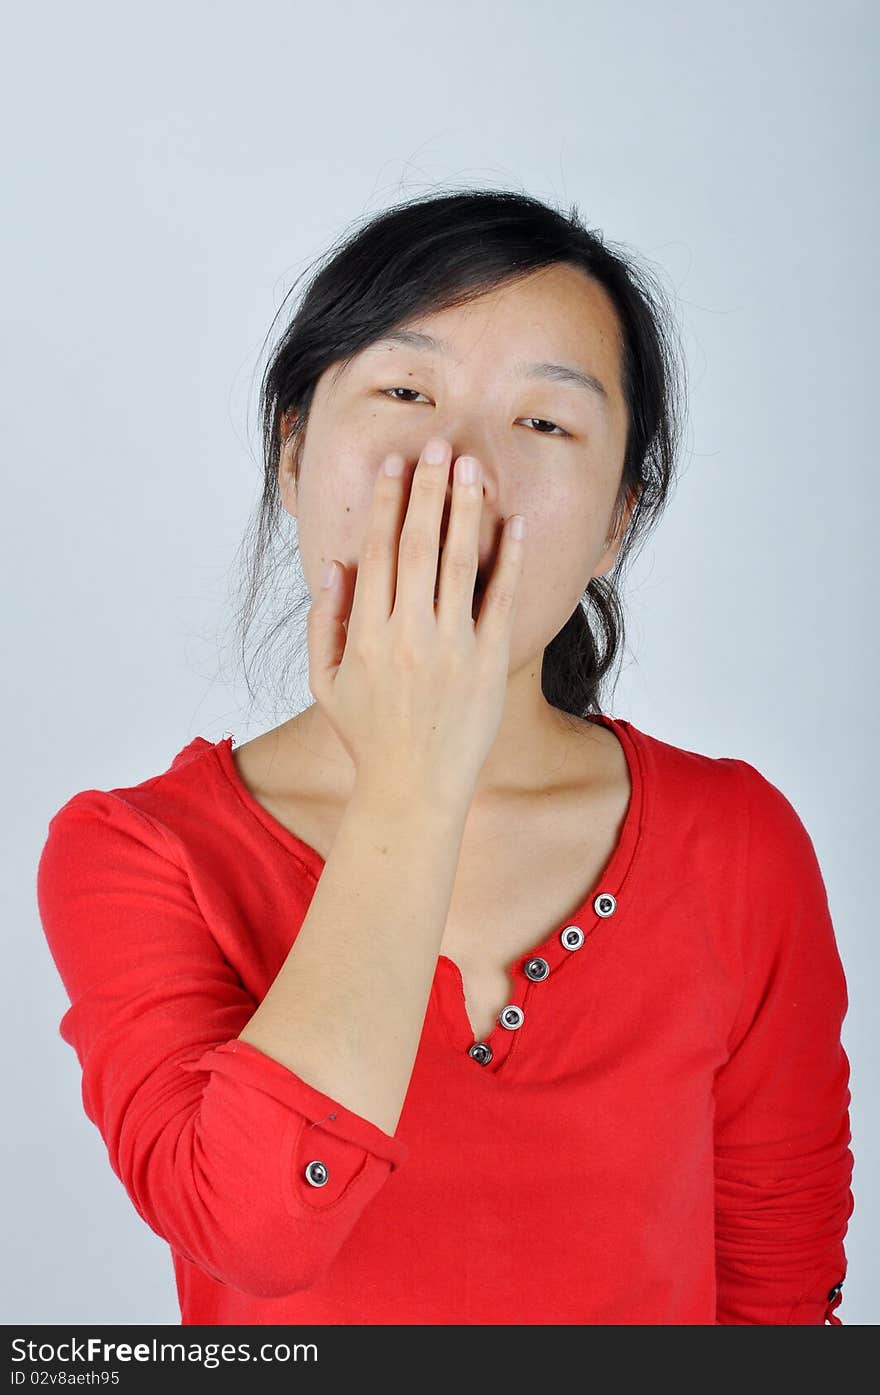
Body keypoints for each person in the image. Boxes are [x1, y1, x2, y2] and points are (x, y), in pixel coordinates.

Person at [36, 188, 854, 1325]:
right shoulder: (138, 853)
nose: (456, 469)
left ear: (618, 518)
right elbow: (254, 1232)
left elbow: (777, 1287)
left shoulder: (738, 841)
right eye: (404, 391)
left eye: (544, 423)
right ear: (293, 453)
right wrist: (414, 785)